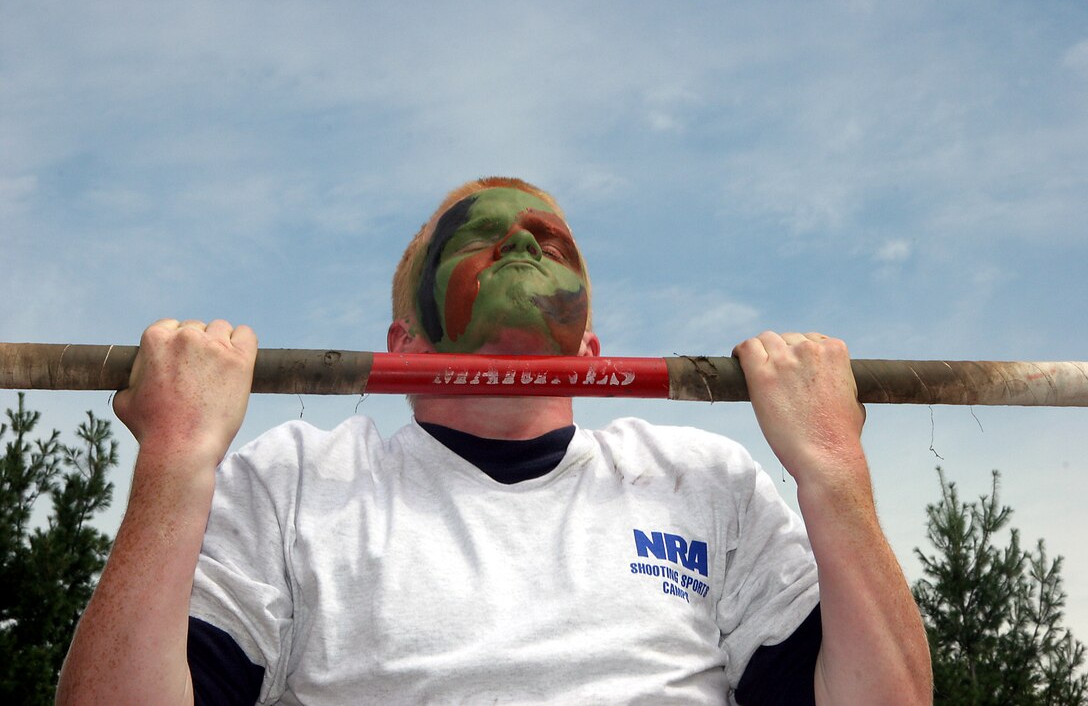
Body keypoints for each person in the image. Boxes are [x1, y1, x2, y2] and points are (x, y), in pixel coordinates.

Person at [57, 177, 931, 704]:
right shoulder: (297, 481)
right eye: (484, 237)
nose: (522, 241)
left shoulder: (701, 480)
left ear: (592, 348)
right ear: (402, 344)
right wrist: (174, 462)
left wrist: (832, 466)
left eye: (551, 245)